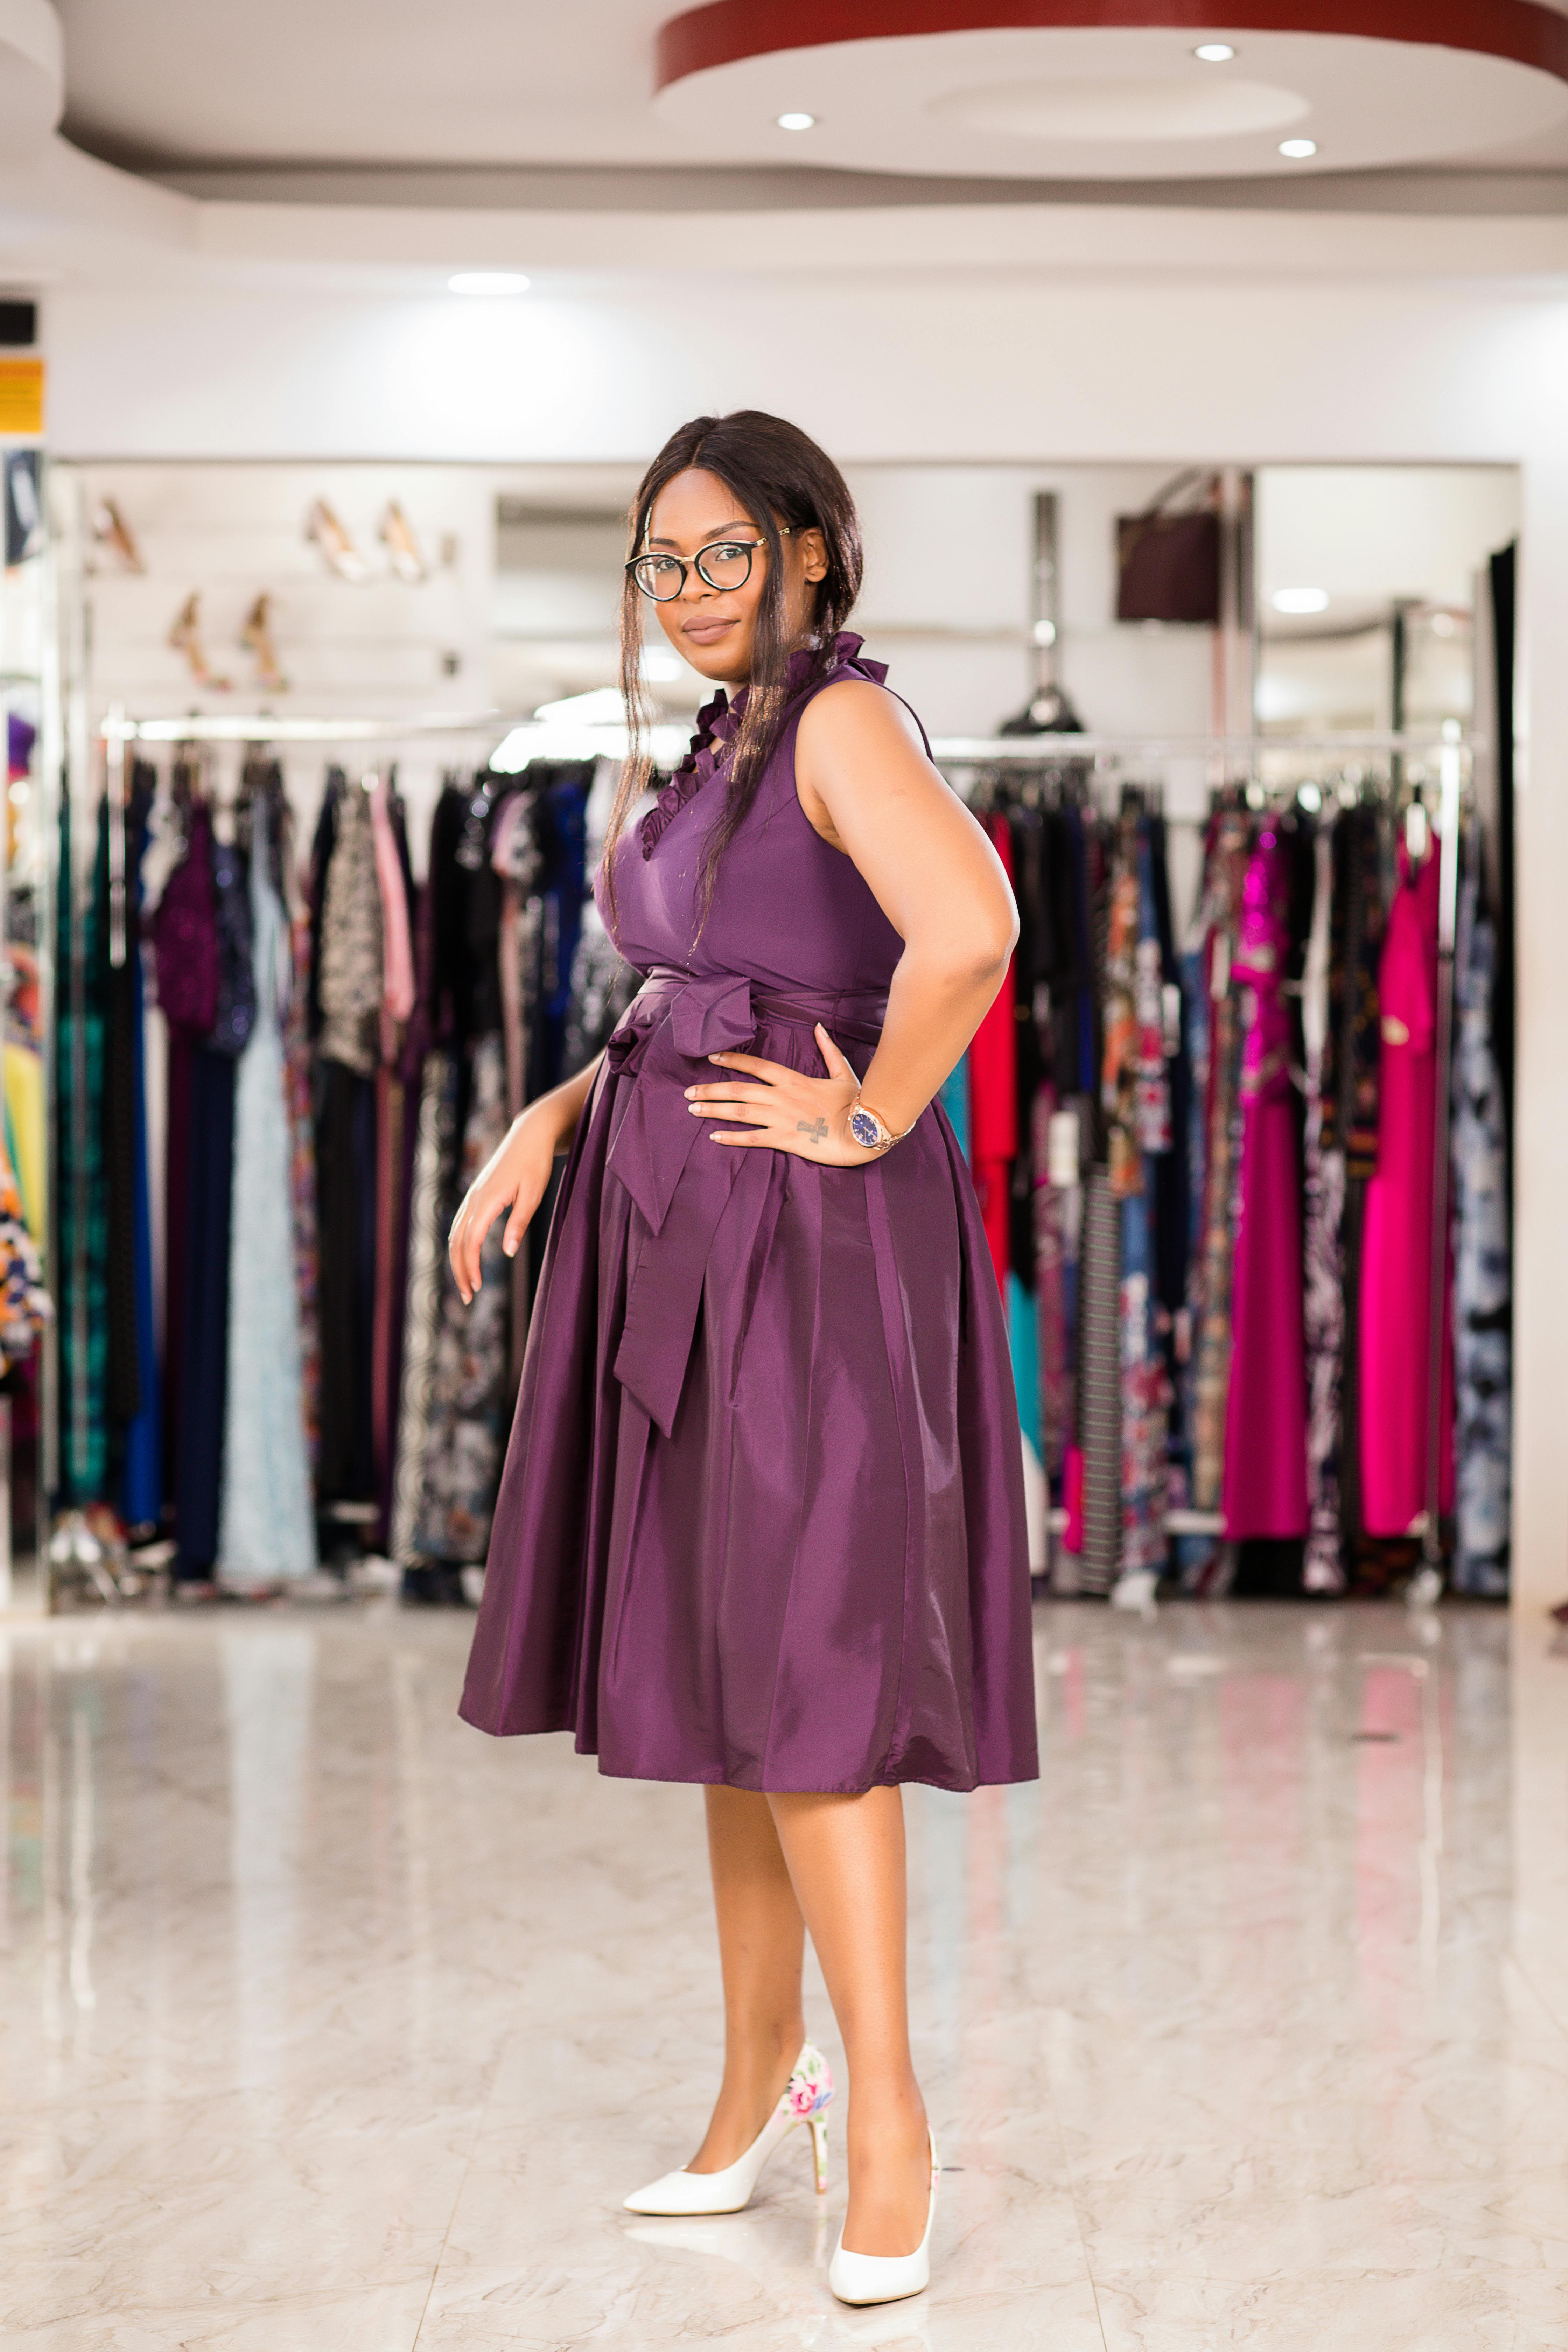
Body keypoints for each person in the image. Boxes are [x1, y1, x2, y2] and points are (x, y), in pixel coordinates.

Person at [449, 410, 1038, 2307]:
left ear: (806, 551)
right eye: (660, 565)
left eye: (719, 556)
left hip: (804, 1247)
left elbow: (975, 929)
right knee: (729, 1679)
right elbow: (688, 991)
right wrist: (556, 1111)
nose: (688, 592)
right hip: (679, 1237)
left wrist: (872, 1119)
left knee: (809, 1680)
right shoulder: (732, 741)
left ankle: (891, 2122)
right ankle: (751, 2090)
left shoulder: (846, 723)